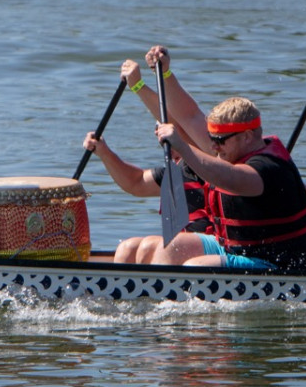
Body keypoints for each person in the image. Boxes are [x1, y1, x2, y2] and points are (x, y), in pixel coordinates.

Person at [146, 45, 306, 272]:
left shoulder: (269, 168)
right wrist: (165, 73)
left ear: (246, 136)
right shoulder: (233, 148)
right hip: (237, 250)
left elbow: (231, 178)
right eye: (212, 138)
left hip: (278, 265)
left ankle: (169, 303)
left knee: (196, 266)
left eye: (220, 140)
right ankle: (152, 301)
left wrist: (183, 147)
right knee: (160, 246)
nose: (213, 146)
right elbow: (190, 115)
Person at [81, 57, 211, 264]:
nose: (160, 136)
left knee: (154, 246)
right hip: (184, 248)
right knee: (128, 247)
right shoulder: (176, 170)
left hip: (213, 249)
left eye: (164, 131)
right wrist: (104, 152)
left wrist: (138, 86)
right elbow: (135, 183)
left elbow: (188, 118)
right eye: (158, 132)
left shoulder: (210, 162)